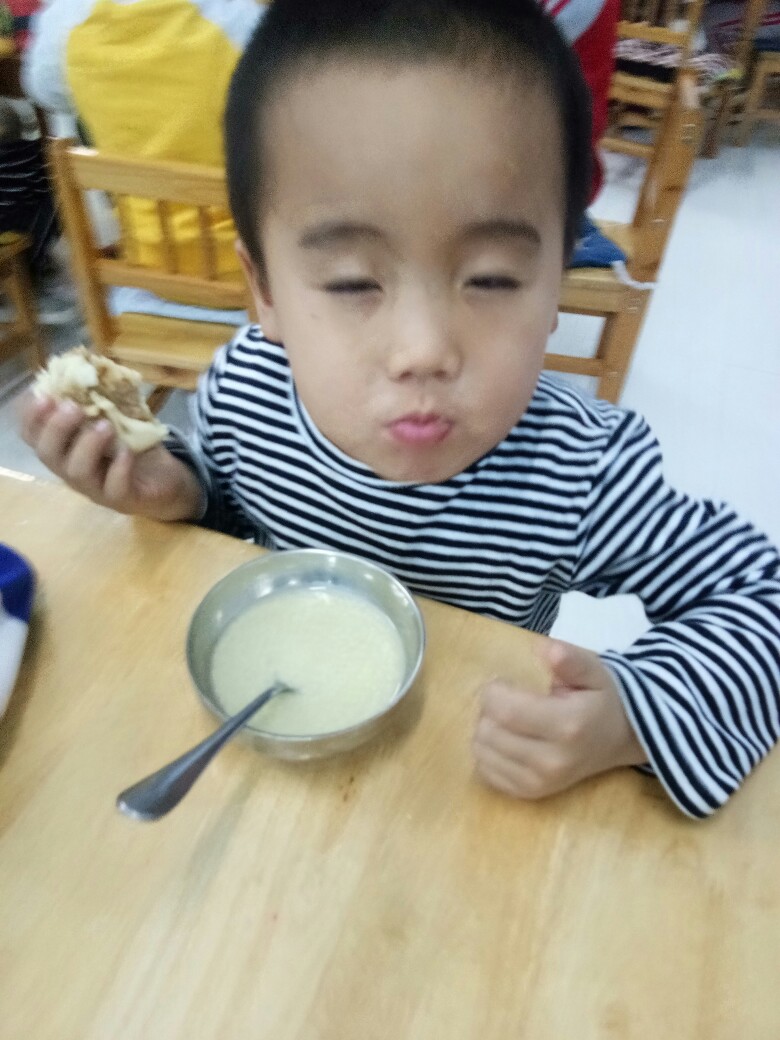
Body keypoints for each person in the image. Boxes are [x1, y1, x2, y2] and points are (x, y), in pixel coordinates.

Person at [20, 0, 780, 819]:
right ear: (265, 289)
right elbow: (236, 507)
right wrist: (180, 490)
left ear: (558, 279)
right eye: (353, 282)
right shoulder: (245, 388)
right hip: (274, 776)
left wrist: (632, 719)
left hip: (461, 796)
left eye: (491, 278)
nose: (423, 350)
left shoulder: (583, 471)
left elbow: (758, 595)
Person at [22, 0, 266, 280]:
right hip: (251, 263)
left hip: (145, 263)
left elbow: (45, 91)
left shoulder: (66, 19)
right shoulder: (232, 14)